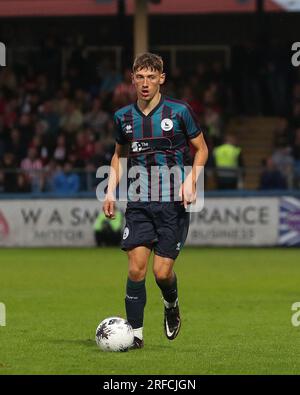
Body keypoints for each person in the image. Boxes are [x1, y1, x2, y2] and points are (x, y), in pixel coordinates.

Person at [102, 53, 208, 349]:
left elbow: (201, 149)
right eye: (140, 77)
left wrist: (191, 179)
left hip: (173, 205)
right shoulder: (123, 118)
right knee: (136, 268)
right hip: (138, 203)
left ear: (161, 78)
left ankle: (171, 302)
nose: (145, 83)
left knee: (162, 272)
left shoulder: (179, 112)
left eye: (151, 77)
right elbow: (118, 156)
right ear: (132, 79)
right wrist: (110, 190)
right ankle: (135, 336)